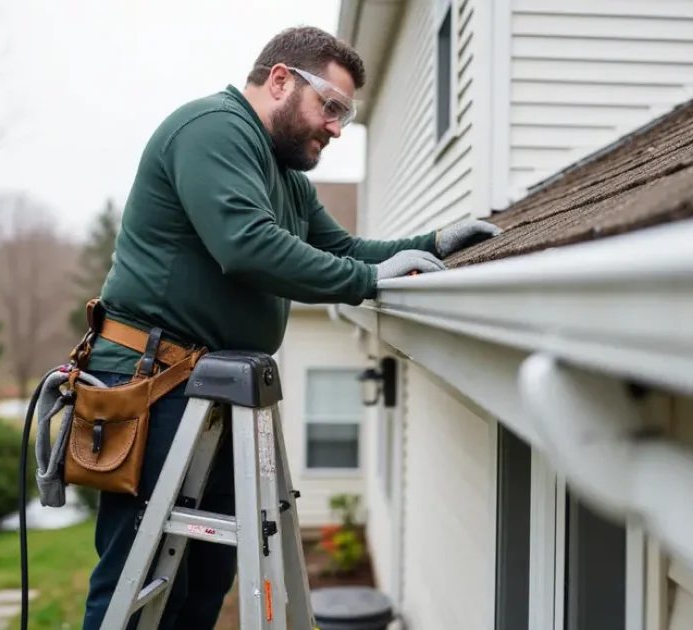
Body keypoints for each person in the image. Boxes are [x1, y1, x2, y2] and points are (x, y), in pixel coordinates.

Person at [78, 25, 501, 630]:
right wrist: (368, 280)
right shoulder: (213, 130)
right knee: (138, 580)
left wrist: (431, 244)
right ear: (280, 80)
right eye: (331, 107)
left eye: (345, 116)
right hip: (152, 382)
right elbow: (246, 246)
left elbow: (347, 251)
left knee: (205, 581)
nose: (336, 128)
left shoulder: (289, 180)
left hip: (213, 391)